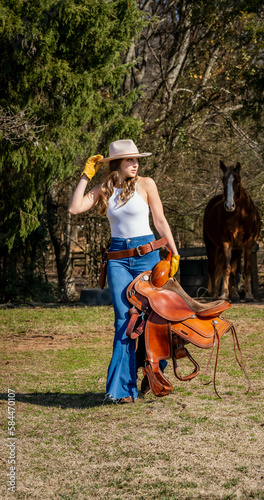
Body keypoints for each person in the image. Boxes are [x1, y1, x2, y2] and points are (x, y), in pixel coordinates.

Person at [68, 139, 179, 404]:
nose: (135, 164)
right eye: (130, 160)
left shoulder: (147, 184)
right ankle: (122, 390)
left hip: (148, 256)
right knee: (124, 321)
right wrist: (86, 175)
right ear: (117, 163)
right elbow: (74, 208)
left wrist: (174, 253)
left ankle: (153, 375)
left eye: (137, 159)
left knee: (155, 318)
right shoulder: (104, 189)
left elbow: (160, 220)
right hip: (117, 259)